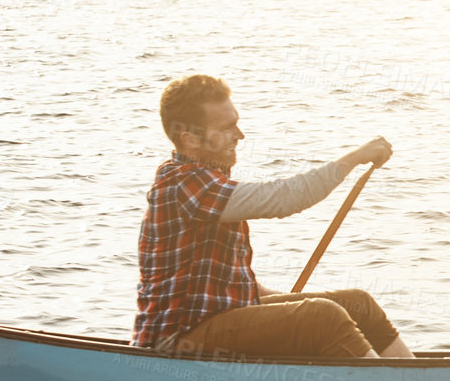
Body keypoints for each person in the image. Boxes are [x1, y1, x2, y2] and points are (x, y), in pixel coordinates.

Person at [133, 73, 417, 360]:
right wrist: (356, 156)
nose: (240, 135)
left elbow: (229, 286)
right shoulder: (185, 186)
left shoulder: (210, 185)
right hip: (175, 343)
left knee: (358, 304)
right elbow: (285, 198)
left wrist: (288, 309)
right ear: (190, 139)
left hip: (216, 326)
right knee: (322, 317)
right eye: (228, 127)